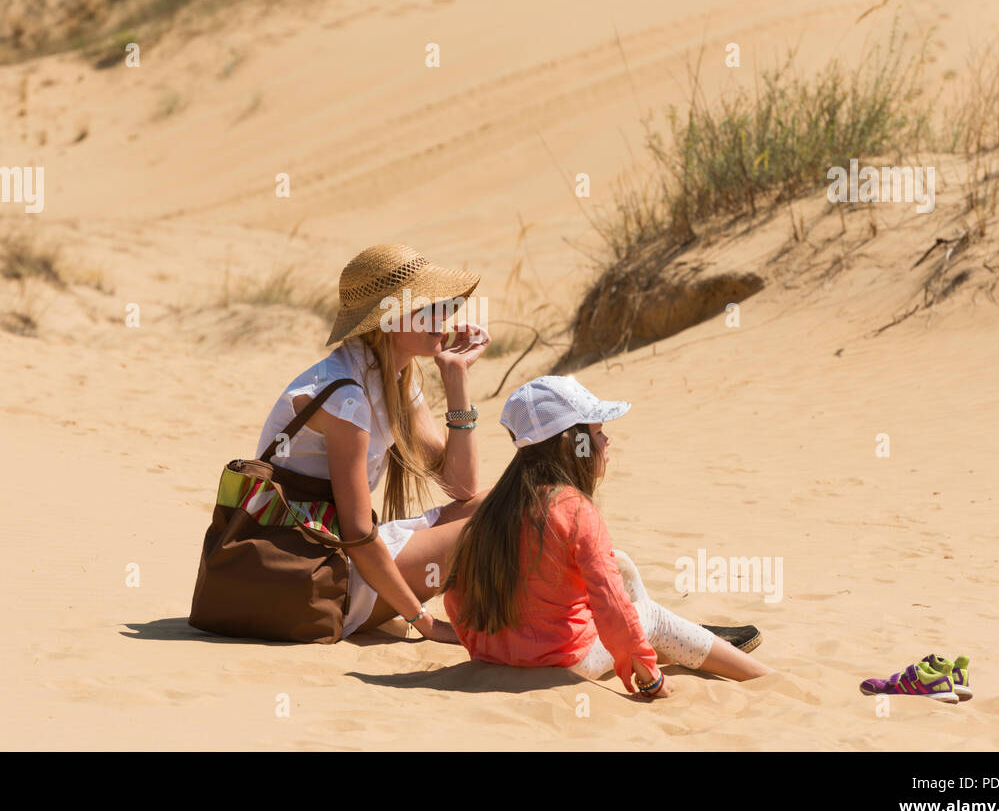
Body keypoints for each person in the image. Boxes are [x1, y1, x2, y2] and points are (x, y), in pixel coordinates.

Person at [442, 375, 772, 697]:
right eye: (598, 432)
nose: (606, 440)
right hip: (563, 661)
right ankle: (763, 676)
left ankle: (675, 642)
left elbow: (454, 596)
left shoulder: (495, 505)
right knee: (651, 615)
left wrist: (487, 647)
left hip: (495, 655)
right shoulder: (574, 509)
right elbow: (611, 604)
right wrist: (648, 676)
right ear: (571, 444)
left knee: (620, 563)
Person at [254, 243, 491, 643]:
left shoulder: (393, 380)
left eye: (445, 305)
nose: (445, 317)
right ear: (388, 320)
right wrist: (424, 624)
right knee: (503, 518)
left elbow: (461, 486)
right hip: (309, 576)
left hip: (339, 555)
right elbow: (359, 534)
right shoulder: (346, 395)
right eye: (428, 307)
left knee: (496, 503)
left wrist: (456, 377)